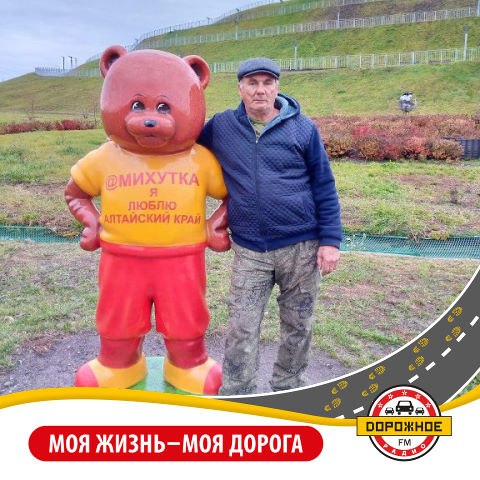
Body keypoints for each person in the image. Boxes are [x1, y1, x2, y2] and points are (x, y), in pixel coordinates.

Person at [198, 57, 342, 395]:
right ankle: (238, 394)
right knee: (242, 326)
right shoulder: (221, 126)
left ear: (277, 87)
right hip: (250, 250)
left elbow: (324, 185)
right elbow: (183, 146)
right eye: (252, 83)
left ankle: (289, 389)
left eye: (267, 83)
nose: (260, 90)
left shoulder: (303, 128)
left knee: (298, 325)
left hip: (301, 248)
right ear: (240, 88)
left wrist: (330, 240)